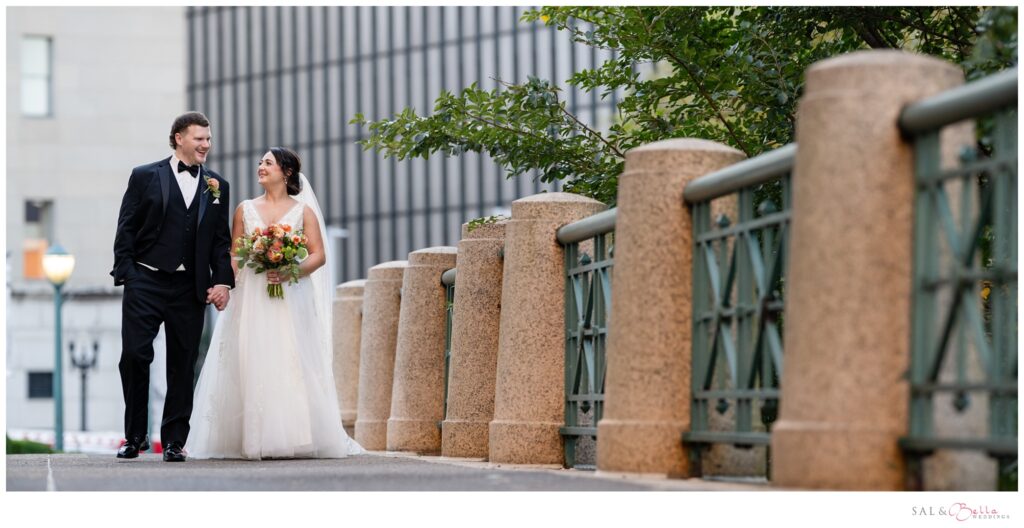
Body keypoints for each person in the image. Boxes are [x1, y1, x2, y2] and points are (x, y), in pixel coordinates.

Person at [186, 147, 364, 460]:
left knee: (288, 357)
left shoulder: (302, 211)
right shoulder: (244, 209)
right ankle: (249, 437)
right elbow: (234, 254)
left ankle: (294, 437)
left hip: (289, 297)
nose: (261, 167)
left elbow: (319, 255)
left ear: (287, 172)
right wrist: (228, 284)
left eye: (268, 163)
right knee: (250, 356)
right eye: (260, 162)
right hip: (252, 296)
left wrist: (288, 270)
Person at [111, 111, 234, 462]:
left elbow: (220, 241)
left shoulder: (217, 186)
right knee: (135, 356)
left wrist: (222, 280)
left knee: (183, 363)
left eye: (208, 139)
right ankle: (134, 437)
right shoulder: (145, 176)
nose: (206, 145)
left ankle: (176, 441)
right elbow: (126, 228)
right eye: (199, 139)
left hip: (188, 287)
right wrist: (128, 273)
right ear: (179, 138)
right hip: (145, 280)